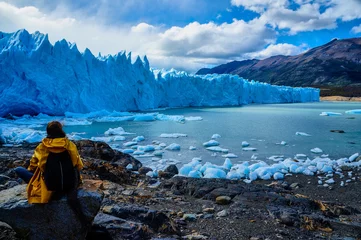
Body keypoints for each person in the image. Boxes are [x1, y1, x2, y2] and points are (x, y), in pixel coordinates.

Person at [14, 121, 83, 204]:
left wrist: (34, 175)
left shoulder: (42, 147)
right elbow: (79, 165)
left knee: (18, 169)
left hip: (50, 186)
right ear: (61, 130)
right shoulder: (70, 145)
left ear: (48, 132)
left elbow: (33, 165)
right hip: (70, 184)